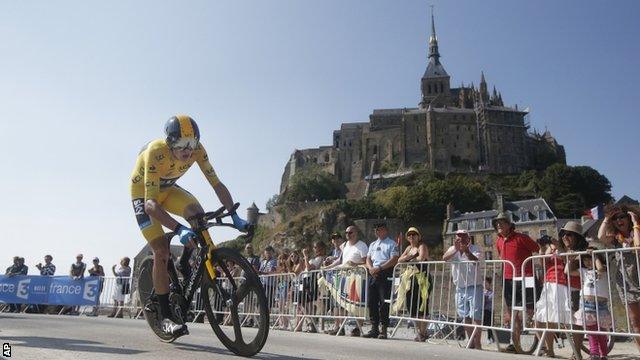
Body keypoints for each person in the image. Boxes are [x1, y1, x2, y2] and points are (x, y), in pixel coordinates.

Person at [130, 115, 249, 336]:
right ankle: (165, 316)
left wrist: (234, 215)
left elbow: (217, 183)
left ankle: (186, 262)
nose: (187, 150)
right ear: (169, 142)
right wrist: (178, 229)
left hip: (168, 190)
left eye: (192, 143)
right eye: (181, 144)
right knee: (162, 251)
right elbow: (151, 205)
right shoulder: (155, 152)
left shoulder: (198, 150)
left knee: (197, 215)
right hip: (145, 197)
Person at [533, 221, 585, 358]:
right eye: (563, 234)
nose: (565, 237)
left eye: (569, 234)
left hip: (568, 284)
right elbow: (543, 263)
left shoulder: (580, 250)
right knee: (543, 318)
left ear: (577, 237)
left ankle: (577, 352)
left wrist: (557, 246)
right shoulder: (555, 248)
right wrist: (542, 249)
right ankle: (549, 350)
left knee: (574, 321)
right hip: (549, 282)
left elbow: (569, 262)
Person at [493, 212, 540, 353]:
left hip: (527, 278)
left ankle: (542, 341)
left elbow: (537, 249)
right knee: (513, 314)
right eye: (497, 223)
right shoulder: (499, 241)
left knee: (531, 311)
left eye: (502, 222)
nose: (498, 224)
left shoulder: (521, 238)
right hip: (509, 280)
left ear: (509, 225)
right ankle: (516, 343)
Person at [597, 204, 640, 350]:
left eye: (622, 217)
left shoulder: (637, 231)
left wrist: (635, 224)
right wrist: (607, 218)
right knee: (635, 322)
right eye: (615, 218)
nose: (618, 220)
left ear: (628, 217)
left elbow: (638, 246)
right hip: (627, 283)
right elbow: (600, 236)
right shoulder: (616, 238)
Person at [323, 225, 369, 337]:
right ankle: (338, 327)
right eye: (347, 233)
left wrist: (355, 264)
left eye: (351, 232)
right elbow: (340, 260)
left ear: (356, 233)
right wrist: (328, 268)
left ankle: (358, 328)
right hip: (344, 277)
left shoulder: (362, 246)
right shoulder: (345, 245)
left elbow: (366, 263)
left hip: (357, 277)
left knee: (356, 304)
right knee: (339, 303)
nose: (348, 235)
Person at [567, 248, 612, 360]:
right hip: (587, 304)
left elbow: (600, 268)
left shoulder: (604, 269)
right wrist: (570, 260)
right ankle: (594, 353)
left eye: (590, 259)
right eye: (586, 260)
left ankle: (604, 354)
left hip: (601, 304)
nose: (588, 262)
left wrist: (595, 256)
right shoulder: (583, 270)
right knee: (591, 330)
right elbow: (567, 271)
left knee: (601, 331)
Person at [443, 230, 484, 350]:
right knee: (465, 315)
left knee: (476, 316)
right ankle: (470, 341)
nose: (460, 239)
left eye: (463, 237)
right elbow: (444, 258)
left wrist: (466, 250)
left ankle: (478, 343)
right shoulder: (452, 248)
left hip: (474, 286)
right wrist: (455, 250)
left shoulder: (476, 248)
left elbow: (477, 261)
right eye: (458, 237)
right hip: (460, 287)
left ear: (468, 238)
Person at [363, 222, 399, 339]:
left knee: (384, 302)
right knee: (371, 301)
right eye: (376, 230)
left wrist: (379, 268)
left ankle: (384, 328)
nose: (377, 231)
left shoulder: (392, 244)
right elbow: (368, 258)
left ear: (385, 230)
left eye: (380, 229)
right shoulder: (373, 244)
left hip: (384, 272)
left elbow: (394, 260)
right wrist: (371, 268)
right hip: (373, 273)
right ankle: (374, 328)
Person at [396, 227, 431, 342]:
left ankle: (423, 332)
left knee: (422, 306)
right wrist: (411, 257)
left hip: (422, 278)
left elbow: (421, 258)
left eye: (414, 234)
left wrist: (408, 259)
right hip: (410, 280)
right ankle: (419, 332)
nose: (411, 236)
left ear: (418, 236)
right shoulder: (408, 248)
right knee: (411, 306)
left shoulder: (422, 246)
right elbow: (400, 260)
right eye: (409, 235)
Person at [483, 277, 495, 344]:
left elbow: (489, 300)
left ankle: (489, 337)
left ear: (489, 284)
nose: (484, 284)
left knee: (489, 325)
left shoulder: (491, 292)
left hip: (489, 310)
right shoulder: (481, 291)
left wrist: (485, 296)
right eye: (484, 283)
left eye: (486, 283)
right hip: (482, 310)